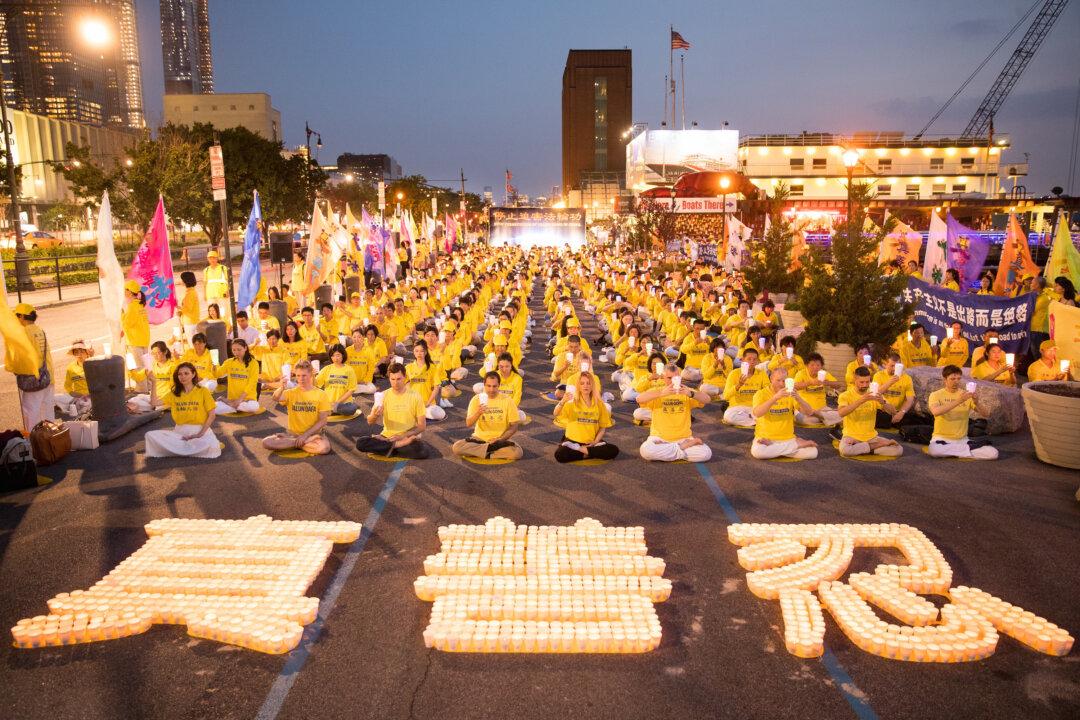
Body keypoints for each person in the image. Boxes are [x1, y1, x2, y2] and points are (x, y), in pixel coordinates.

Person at [636, 363, 712, 462]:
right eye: (669, 378)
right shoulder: (657, 391)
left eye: (676, 378)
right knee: (645, 451)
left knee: (706, 454)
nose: (673, 381)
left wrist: (691, 393)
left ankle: (673, 450)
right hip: (659, 438)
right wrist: (662, 393)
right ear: (663, 377)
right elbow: (639, 399)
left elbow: (707, 399)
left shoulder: (686, 391)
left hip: (683, 438)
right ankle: (682, 448)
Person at [355, 362, 434, 458]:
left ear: (405, 377)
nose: (395, 382)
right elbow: (370, 421)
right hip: (387, 437)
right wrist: (375, 415)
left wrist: (403, 436)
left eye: (399, 379)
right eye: (392, 379)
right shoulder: (382, 395)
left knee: (422, 451)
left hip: (406, 437)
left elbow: (422, 426)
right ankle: (396, 446)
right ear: (389, 379)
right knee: (360, 443)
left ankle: (385, 449)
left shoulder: (415, 396)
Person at [144, 362, 221, 458]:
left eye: (186, 373)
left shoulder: (203, 391)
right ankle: (184, 448)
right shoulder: (175, 393)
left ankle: (182, 449)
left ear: (193, 374)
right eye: (180, 374)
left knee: (212, 448)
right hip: (180, 431)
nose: (182, 376)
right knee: (150, 435)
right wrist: (154, 382)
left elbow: (212, 415)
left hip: (200, 430)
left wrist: (200, 434)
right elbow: (154, 403)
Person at [927, 365, 998, 460]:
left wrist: (977, 402)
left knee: (993, 453)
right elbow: (936, 411)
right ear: (945, 379)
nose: (956, 381)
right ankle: (966, 451)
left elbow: (986, 414)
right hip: (942, 439)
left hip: (962, 440)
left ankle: (957, 451)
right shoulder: (935, 395)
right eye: (952, 379)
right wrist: (959, 401)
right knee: (934, 450)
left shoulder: (966, 394)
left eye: (958, 379)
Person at [451, 371, 524, 461]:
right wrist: (478, 412)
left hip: (499, 440)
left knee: (517, 453)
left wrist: (500, 439)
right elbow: (468, 423)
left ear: (499, 385)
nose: (491, 389)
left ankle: (482, 452)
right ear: (484, 385)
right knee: (457, 447)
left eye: (494, 386)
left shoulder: (508, 400)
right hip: (479, 439)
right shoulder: (476, 399)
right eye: (488, 386)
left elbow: (514, 426)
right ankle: (490, 451)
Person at [263, 360, 331, 455]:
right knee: (266, 442)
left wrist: (305, 436)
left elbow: (323, 421)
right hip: (294, 435)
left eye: (304, 375)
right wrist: (281, 387)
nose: (301, 379)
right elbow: (275, 398)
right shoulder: (291, 392)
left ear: (311, 375)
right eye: (298, 376)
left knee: (324, 448)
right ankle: (300, 443)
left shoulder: (321, 394)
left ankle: (295, 442)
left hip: (313, 434)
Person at [749, 368, 818, 460]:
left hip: (787, 438)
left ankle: (776, 448)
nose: (782, 384)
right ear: (771, 379)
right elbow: (757, 413)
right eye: (778, 380)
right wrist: (775, 398)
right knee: (758, 452)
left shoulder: (791, 393)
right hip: (766, 438)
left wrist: (798, 398)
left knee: (813, 452)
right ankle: (794, 446)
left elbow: (809, 412)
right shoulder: (761, 394)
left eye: (784, 380)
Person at [835, 367, 903, 458]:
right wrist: (861, 400)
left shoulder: (874, 394)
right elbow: (841, 413)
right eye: (862, 382)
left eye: (867, 382)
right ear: (855, 380)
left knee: (898, 450)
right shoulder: (845, 395)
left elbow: (893, 411)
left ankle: (863, 449)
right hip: (852, 436)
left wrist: (883, 402)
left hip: (871, 437)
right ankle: (875, 447)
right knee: (845, 451)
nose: (865, 385)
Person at [552, 372, 619, 463]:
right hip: (572, 441)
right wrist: (563, 401)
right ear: (578, 386)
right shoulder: (571, 403)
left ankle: (581, 451)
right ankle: (589, 453)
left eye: (588, 383)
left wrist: (595, 442)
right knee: (560, 455)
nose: (585, 386)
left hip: (591, 443)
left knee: (614, 450)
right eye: (582, 383)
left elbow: (602, 427)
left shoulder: (599, 404)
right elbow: (555, 413)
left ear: (592, 386)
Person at [14, 303, 55, 430]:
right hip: (48, 376)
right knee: (48, 413)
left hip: (34, 379)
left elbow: (22, 358)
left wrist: (16, 370)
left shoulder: (24, 332)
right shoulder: (39, 330)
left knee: (31, 413)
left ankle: (34, 444)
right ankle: (52, 442)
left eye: (17, 316)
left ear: (21, 316)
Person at [792, 353, 842, 426]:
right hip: (804, 409)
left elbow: (838, 385)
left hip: (821, 408)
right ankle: (826, 419)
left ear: (821, 366)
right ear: (806, 365)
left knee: (842, 416)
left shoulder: (824, 374)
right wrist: (810, 382)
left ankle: (822, 418)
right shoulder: (801, 373)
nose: (815, 367)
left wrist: (827, 383)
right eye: (812, 365)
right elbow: (794, 386)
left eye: (818, 365)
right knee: (807, 420)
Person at [722, 348, 768, 427]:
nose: (752, 362)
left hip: (755, 407)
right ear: (742, 360)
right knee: (728, 416)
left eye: (754, 359)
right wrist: (738, 385)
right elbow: (726, 396)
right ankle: (757, 422)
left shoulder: (762, 374)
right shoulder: (734, 374)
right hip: (738, 407)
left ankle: (754, 420)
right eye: (749, 359)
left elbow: (767, 392)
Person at [214, 339, 261, 414]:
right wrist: (214, 365)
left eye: (239, 349)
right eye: (234, 350)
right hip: (233, 399)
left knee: (254, 407)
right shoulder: (229, 362)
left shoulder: (253, 363)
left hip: (247, 400)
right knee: (214, 409)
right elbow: (217, 374)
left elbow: (252, 383)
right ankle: (234, 406)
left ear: (245, 348)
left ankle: (229, 404)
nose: (236, 352)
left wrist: (240, 400)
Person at [873, 352, 917, 428]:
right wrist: (890, 382)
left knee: (914, 419)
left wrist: (901, 413)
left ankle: (892, 422)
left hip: (897, 411)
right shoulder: (878, 375)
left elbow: (910, 399)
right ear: (886, 364)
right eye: (892, 366)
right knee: (876, 416)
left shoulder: (907, 378)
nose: (894, 369)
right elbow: (876, 393)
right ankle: (890, 422)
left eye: (897, 366)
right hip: (881, 410)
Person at [407, 339, 446, 420]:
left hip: (428, 404)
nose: (419, 353)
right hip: (413, 403)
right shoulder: (408, 367)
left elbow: (436, 387)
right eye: (416, 351)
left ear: (425, 352)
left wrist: (428, 403)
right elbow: (404, 386)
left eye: (421, 351)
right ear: (413, 352)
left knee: (439, 414)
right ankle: (418, 414)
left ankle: (419, 414)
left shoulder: (432, 367)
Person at [316, 344, 359, 415]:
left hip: (343, 403)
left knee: (352, 408)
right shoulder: (326, 369)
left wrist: (337, 402)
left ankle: (332, 410)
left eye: (338, 355)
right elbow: (316, 384)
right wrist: (311, 375)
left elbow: (351, 390)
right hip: (328, 403)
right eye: (333, 356)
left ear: (343, 355)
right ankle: (333, 410)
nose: (335, 358)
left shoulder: (349, 370)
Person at [55, 340, 92, 417]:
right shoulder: (71, 368)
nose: (79, 354)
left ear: (86, 352)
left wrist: (89, 395)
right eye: (76, 352)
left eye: (81, 351)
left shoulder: (93, 364)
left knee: (86, 404)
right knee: (53, 398)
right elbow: (67, 386)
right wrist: (73, 393)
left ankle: (79, 410)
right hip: (77, 397)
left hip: (91, 397)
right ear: (74, 354)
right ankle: (76, 408)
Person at [178, 271, 200, 340]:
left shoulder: (190, 294)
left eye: (182, 279)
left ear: (185, 281)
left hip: (190, 322)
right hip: (192, 321)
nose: (181, 281)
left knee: (192, 344)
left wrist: (177, 307)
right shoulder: (191, 292)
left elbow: (187, 309)